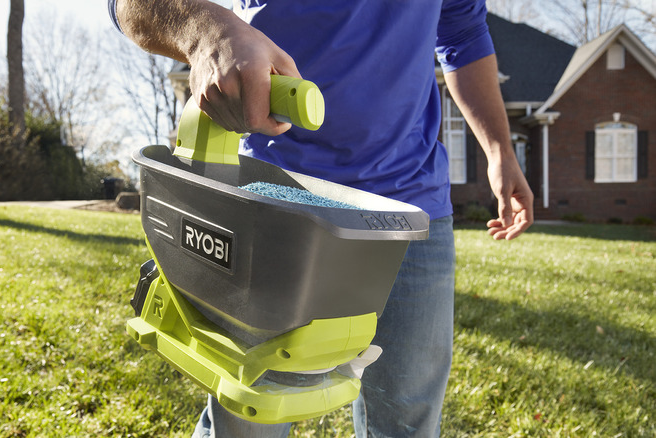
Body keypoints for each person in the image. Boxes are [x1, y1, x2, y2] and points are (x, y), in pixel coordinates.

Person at [109, 0, 534, 436]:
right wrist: (204, 32)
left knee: (406, 423)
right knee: (248, 412)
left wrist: (500, 150)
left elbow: (462, 35)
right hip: (277, 217)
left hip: (407, 211)